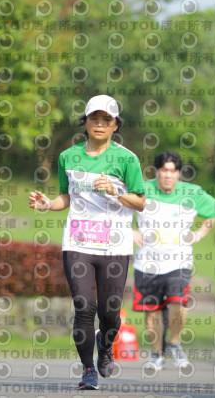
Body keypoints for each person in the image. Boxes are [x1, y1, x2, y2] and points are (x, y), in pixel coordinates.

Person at [29, 95, 145, 390]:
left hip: (115, 246)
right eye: (94, 118)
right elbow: (65, 198)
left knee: (110, 311)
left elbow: (141, 203)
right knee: (84, 307)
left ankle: (105, 347)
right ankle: (87, 369)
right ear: (85, 122)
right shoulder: (68, 157)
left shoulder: (127, 159)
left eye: (107, 120)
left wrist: (114, 191)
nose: (100, 124)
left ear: (116, 125)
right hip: (78, 242)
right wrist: (46, 204)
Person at [132, 150, 215, 370]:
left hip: (179, 261)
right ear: (157, 172)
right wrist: (130, 231)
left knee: (177, 302)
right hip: (147, 261)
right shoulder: (141, 189)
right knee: (152, 310)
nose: (168, 175)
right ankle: (157, 355)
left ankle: (174, 343)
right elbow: (116, 209)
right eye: (164, 170)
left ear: (179, 174)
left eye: (173, 171)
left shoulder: (192, 193)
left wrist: (199, 234)